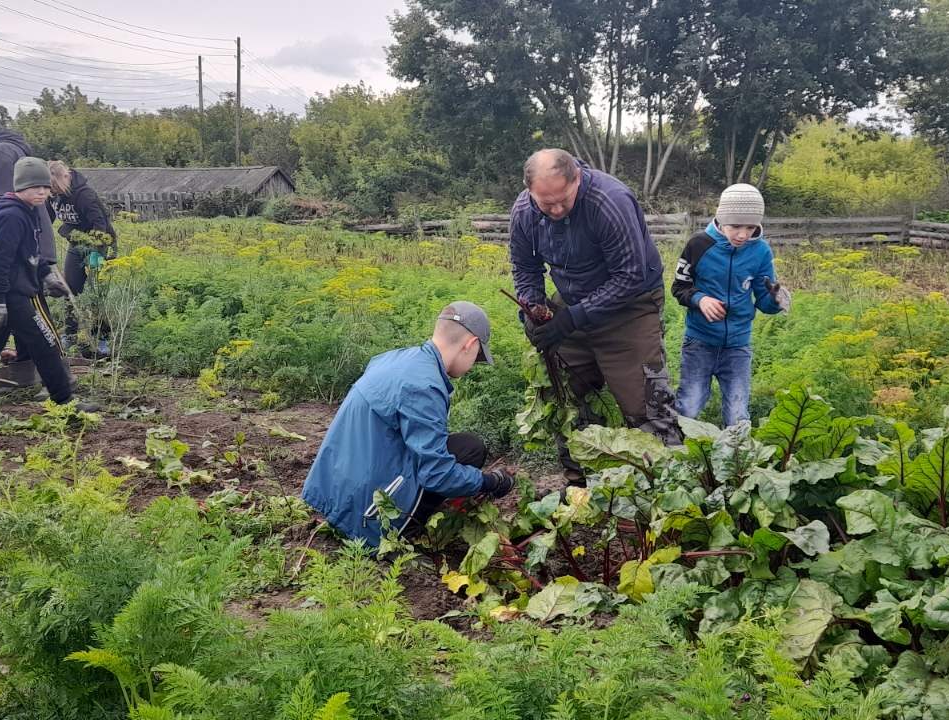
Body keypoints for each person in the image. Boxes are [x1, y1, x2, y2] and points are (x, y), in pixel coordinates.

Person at [509, 148, 681, 482]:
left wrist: (572, 318)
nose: (557, 209)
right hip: (573, 298)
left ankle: (671, 487)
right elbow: (525, 267)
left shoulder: (609, 201)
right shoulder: (523, 213)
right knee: (564, 396)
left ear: (578, 179)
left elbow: (630, 276)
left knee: (646, 403)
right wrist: (532, 310)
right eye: (547, 204)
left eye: (564, 199)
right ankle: (583, 486)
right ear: (531, 192)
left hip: (629, 305)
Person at [302, 302, 514, 545]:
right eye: (477, 357)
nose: (472, 366)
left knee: (468, 447)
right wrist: (489, 482)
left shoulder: (395, 359)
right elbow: (437, 474)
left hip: (331, 489)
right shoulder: (424, 386)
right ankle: (400, 534)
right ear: (470, 344)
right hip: (361, 514)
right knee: (463, 457)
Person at [0, 158, 82, 422]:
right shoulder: (11, 215)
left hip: (15, 289)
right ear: (20, 186)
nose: (42, 192)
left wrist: (45, 274)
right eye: (34, 187)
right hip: (10, 294)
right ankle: (65, 403)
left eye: (45, 186)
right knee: (45, 343)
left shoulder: (27, 210)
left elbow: (28, 252)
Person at [671, 184, 788, 427]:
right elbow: (679, 288)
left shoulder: (761, 252)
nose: (743, 235)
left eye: (750, 227)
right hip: (699, 342)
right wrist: (700, 299)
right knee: (689, 406)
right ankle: (675, 453)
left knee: (737, 413)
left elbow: (764, 299)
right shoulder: (698, 245)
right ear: (720, 218)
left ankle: (736, 460)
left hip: (737, 346)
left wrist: (776, 300)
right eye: (735, 226)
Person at [0, 110, 66, 298]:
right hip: (35, 238)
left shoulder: (0, 151)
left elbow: (5, 203)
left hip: (22, 245)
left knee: (25, 304)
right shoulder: (13, 148)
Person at [47, 160, 117, 356]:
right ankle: (70, 335)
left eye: (56, 187)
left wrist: (96, 252)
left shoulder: (84, 195)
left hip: (99, 244)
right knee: (70, 289)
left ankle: (102, 339)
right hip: (76, 244)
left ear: (65, 177)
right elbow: (46, 218)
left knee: (97, 292)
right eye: (50, 189)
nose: (53, 192)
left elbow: (100, 223)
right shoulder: (53, 195)